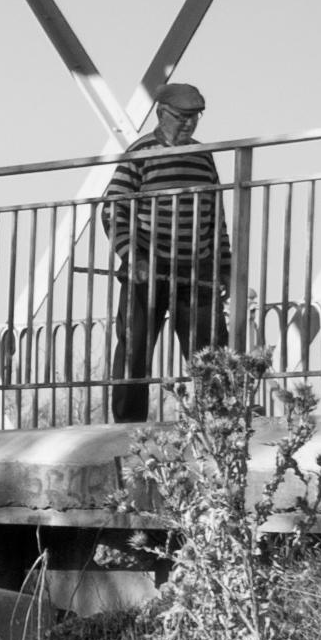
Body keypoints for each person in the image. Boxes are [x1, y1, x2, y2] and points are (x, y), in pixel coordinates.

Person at [100, 81, 232, 422]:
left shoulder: (203, 155)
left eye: (195, 116)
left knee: (209, 351)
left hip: (197, 268)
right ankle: (128, 428)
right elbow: (112, 207)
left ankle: (218, 420)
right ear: (161, 113)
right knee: (135, 347)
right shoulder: (140, 152)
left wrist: (225, 266)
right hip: (149, 267)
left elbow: (215, 214)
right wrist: (133, 256)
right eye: (182, 116)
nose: (189, 123)